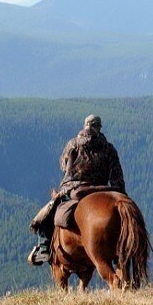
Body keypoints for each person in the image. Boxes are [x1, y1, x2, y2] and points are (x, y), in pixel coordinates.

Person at [27, 114, 126, 265]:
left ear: (85, 126)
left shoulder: (73, 144)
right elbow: (116, 176)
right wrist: (120, 194)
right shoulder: (109, 148)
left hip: (74, 189)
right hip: (102, 190)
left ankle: (44, 249)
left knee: (47, 215)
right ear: (99, 128)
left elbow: (63, 165)